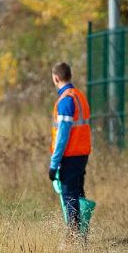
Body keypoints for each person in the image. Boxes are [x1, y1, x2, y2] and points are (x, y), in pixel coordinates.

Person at [47, 62, 92, 239]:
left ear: (56, 78)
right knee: (78, 194)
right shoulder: (79, 96)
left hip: (70, 155)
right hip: (82, 153)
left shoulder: (66, 100)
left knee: (70, 196)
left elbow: (62, 135)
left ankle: (74, 238)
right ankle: (82, 234)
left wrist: (54, 163)